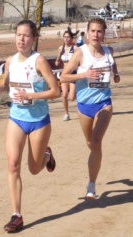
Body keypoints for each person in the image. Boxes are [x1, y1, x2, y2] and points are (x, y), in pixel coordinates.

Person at [0, 19, 60, 233]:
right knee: (13, 164)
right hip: (16, 118)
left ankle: (47, 156)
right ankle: (16, 216)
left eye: (26, 35)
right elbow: (4, 84)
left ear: (34, 38)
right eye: (18, 35)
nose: (21, 39)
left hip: (39, 121)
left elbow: (55, 91)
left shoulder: (39, 61)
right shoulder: (10, 61)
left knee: (34, 168)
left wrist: (32, 95)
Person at [60, 18, 120, 199]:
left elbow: (112, 63)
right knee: (91, 144)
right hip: (84, 106)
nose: (96, 34)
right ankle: (94, 168)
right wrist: (84, 74)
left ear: (103, 34)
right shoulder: (80, 53)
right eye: (93, 31)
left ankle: (91, 185)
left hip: (104, 103)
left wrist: (115, 73)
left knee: (95, 142)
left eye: (99, 31)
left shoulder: (108, 51)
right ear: (88, 33)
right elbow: (63, 77)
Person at [55, 29, 78, 121]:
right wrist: (57, 60)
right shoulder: (61, 48)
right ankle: (66, 114)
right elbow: (58, 60)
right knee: (64, 95)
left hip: (73, 74)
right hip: (64, 74)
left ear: (71, 38)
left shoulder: (75, 48)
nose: (66, 39)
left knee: (71, 98)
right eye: (64, 37)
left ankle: (77, 93)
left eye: (68, 37)